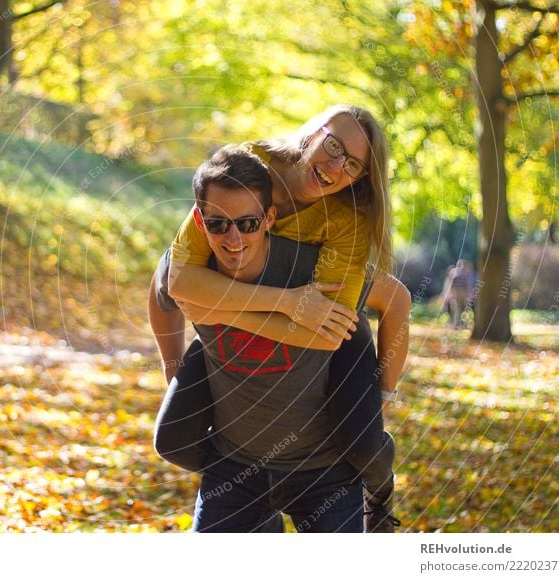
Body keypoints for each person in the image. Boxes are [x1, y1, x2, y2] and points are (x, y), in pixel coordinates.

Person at [150, 105, 409, 532]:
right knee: (173, 437)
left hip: (332, 330)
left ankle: (378, 492)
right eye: (333, 145)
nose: (334, 165)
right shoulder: (245, 168)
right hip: (261, 305)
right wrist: (282, 303)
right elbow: (174, 280)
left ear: (360, 178)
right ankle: (255, 503)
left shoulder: (347, 219)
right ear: (313, 131)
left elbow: (332, 330)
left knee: (362, 441)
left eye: (352, 164)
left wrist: (384, 392)